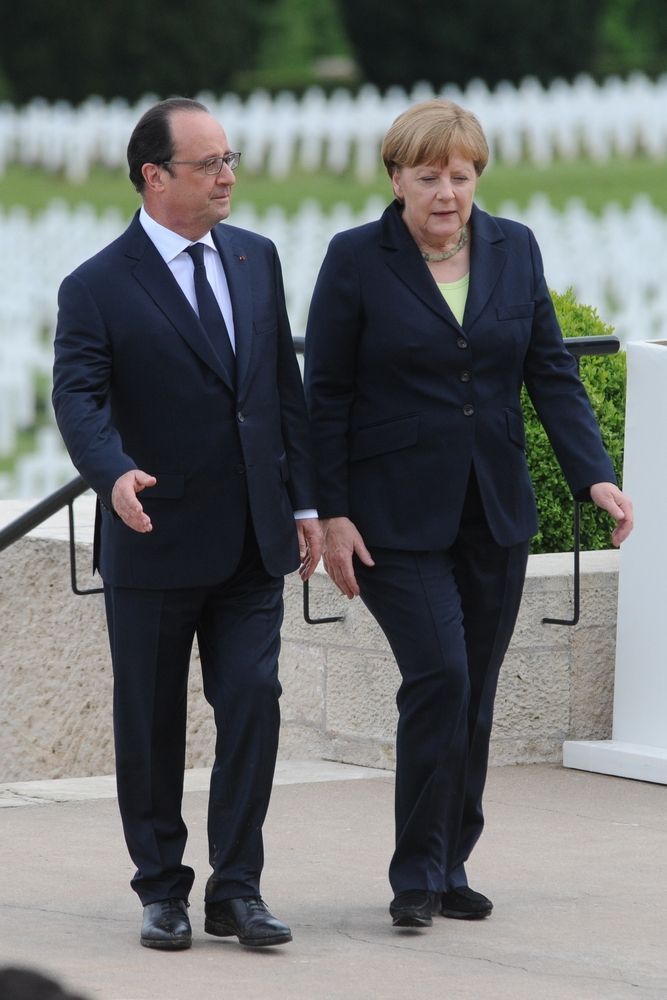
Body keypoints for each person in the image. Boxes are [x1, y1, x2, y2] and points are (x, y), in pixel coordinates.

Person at [304, 99, 633, 930]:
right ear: (396, 179)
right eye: (428, 176)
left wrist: (594, 478)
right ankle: (413, 873)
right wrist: (332, 512)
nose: (446, 192)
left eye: (460, 175)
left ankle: (451, 861)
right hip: (390, 519)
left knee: (475, 692)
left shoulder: (514, 247)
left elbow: (549, 371)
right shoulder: (354, 259)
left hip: (494, 510)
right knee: (440, 676)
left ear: (475, 176)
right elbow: (326, 396)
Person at [52, 97, 321, 951]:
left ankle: (236, 888)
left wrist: (306, 502)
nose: (228, 177)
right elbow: (78, 394)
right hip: (153, 538)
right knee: (151, 720)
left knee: (254, 700)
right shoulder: (95, 285)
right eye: (209, 165)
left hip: (252, 539)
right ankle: (162, 888)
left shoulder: (255, 257)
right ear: (153, 176)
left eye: (230, 159)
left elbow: (283, 388)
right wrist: (110, 469)